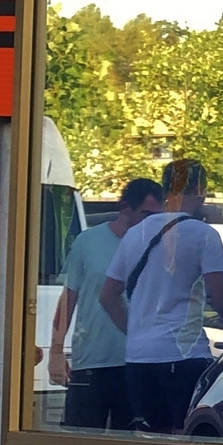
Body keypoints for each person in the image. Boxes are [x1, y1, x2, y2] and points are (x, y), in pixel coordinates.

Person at [101, 157, 223, 434]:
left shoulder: (134, 234)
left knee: (154, 443)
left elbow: (108, 295)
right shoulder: (204, 235)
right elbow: (221, 300)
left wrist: (135, 331)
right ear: (200, 189)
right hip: (184, 356)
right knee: (185, 439)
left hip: (138, 359)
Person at [49, 176, 161, 431]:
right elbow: (68, 299)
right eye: (146, 214)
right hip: (92, 360)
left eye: (157, 215)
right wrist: (56, 352)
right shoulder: (88, 242)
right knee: (77, 444)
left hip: (137, 362)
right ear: (125, 209)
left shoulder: (159, 246)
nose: (152, 222)